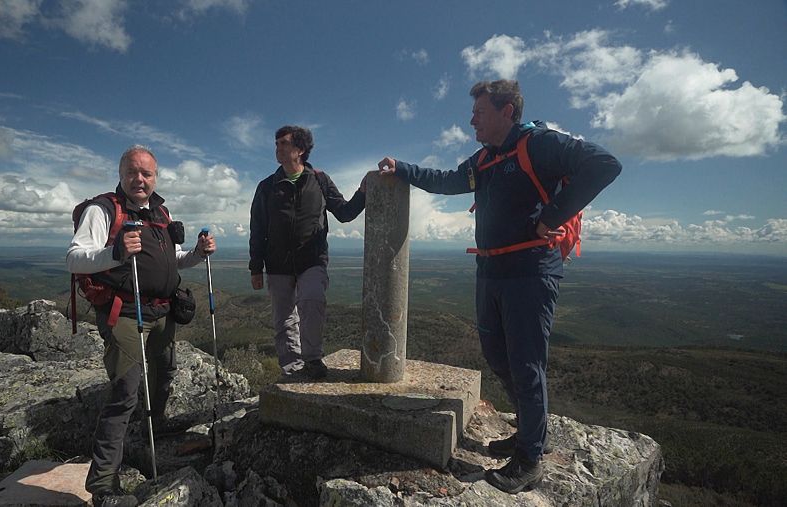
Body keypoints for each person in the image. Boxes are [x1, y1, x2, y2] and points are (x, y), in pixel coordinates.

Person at [378, 80, 621, 494]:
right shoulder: (485, 159)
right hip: (490, 269)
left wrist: (554, 215)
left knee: (527, 365)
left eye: (480, 112)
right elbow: (448, 180)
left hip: (529, 271)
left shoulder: (538, 144)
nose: (472, 118)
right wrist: (402, 168)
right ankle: (530, 431)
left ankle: (530, 460)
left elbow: (605, 164)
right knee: (497, 356)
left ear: (507, 110)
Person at [67, 145, 216, 507]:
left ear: (155, 178)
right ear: (121, 174)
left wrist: (197, 254)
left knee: (164, 372)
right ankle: (103, 485)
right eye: (133, 172)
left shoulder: (160, 213)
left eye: (147, 173)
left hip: (161, 312)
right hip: (125, 312)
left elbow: (171, 261)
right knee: (124, 392)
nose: (140, 179)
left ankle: (157, 420)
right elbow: (74, 257)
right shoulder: (103, 210)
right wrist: (115, 252)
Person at [249, 125, 366, 379]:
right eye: (276, 143)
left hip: (312, 260)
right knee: (284, 318)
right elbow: (257, 228)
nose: (278, 148)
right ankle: (292, 368)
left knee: (312, 300)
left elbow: (345, 213)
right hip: (277, 263)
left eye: (284, 143)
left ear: (300, 150)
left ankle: (312, 358)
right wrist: (255, 267)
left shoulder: (319, 180)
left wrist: (363, 193)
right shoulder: (267, 186)